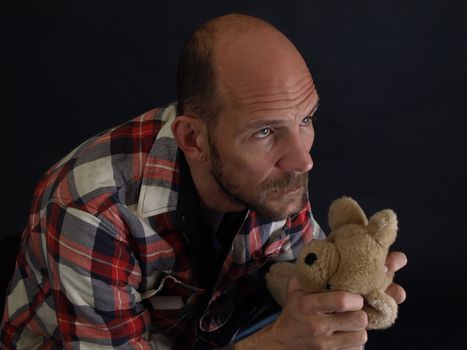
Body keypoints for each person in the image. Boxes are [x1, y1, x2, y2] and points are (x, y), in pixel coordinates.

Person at [0, 13, 407, 350]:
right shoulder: (91, 210)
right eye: (265, 132)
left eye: (305, 119)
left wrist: (347, 291)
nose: (304, 159)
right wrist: (278, 343)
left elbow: (294, 270)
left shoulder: (277, 168)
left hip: (208, 330)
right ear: (193, 139)